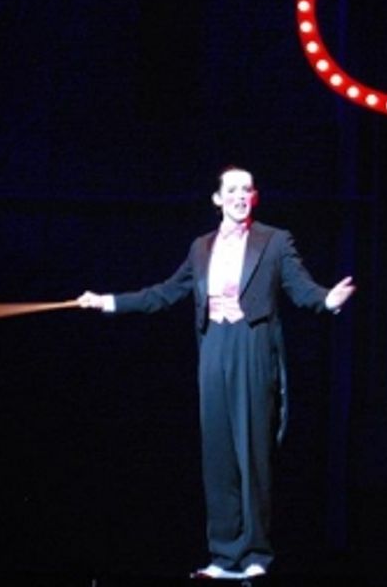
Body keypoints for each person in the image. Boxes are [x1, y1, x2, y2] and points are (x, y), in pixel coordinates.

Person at [77, 165, 355, 580]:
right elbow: (166, 292)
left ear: (254, 197)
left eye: (247, 189)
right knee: (218, 455)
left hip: (252, 345)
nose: (240, 196)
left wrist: (327, 300)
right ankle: (224, 556)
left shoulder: (275, 241)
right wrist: (108, 302)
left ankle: (256, 553)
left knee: (252, 452)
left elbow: (301, 288)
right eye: (233, 190)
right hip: (213, 349)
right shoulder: (200, 247)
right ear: (218, 198)